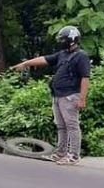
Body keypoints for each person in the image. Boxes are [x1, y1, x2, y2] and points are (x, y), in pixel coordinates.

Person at [11, 26, 91, 165]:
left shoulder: (81, 56)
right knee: (61, 126)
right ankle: (60, 153)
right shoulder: (62, 54)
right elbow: (44, 60)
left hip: (70, 96)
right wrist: (25, 64)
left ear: (72, 40)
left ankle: (73, 155)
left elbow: (85, 78)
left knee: (72, 126)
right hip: (58, 95)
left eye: (63, 39)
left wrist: (82, 98)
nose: (61, 42)